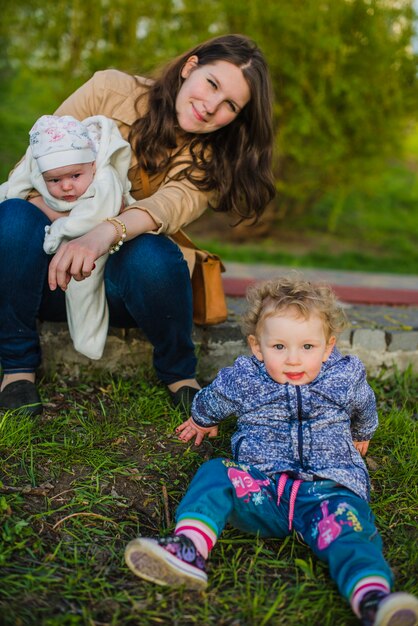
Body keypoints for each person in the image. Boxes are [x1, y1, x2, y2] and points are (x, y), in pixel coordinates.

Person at [0, 34, 275, 416]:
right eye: (212, 84)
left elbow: (167, 206)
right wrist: (72, 221)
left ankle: (180, 373)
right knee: (12, 217)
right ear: (190, 67)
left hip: (124, 291)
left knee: (151, 254)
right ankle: (17, 369)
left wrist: (100, 232)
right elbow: (34, 166)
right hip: (50, 278)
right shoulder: (109, 90)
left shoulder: (213, 158)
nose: (211, 107)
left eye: (230, 104)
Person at [124, 277, 418, 626]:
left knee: (351, 532)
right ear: (257, 347)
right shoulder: (246, 377)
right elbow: (216, 397)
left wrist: (362, 432)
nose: (293, 359)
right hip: (264, 490)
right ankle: (189, 546)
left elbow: (364, 406)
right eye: (279, 347)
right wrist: (201, 418)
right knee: (217, 473)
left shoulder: (345, 376)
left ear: (327, 348)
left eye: (308, 347)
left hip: (329, 492)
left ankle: (372, 598)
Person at [0, 113, 134, 361]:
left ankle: (89, 338)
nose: (66, 187)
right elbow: (10, 192)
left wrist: (58, 230)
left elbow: (96, 214)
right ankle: (17, 360)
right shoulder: (40, 182)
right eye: (55, 180)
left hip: (99, 264)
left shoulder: (104, 179)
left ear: (92, 165)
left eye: (75, 176)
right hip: (46, 276)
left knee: (86, 290)